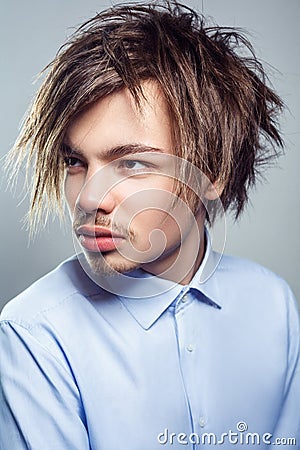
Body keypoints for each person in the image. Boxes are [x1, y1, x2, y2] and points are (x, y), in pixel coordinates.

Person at [0, 1, 299, 449]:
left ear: (211, 172)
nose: (88, 198)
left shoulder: (273, 304)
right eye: (74, 162)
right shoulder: (35, 332)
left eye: (132, 163)